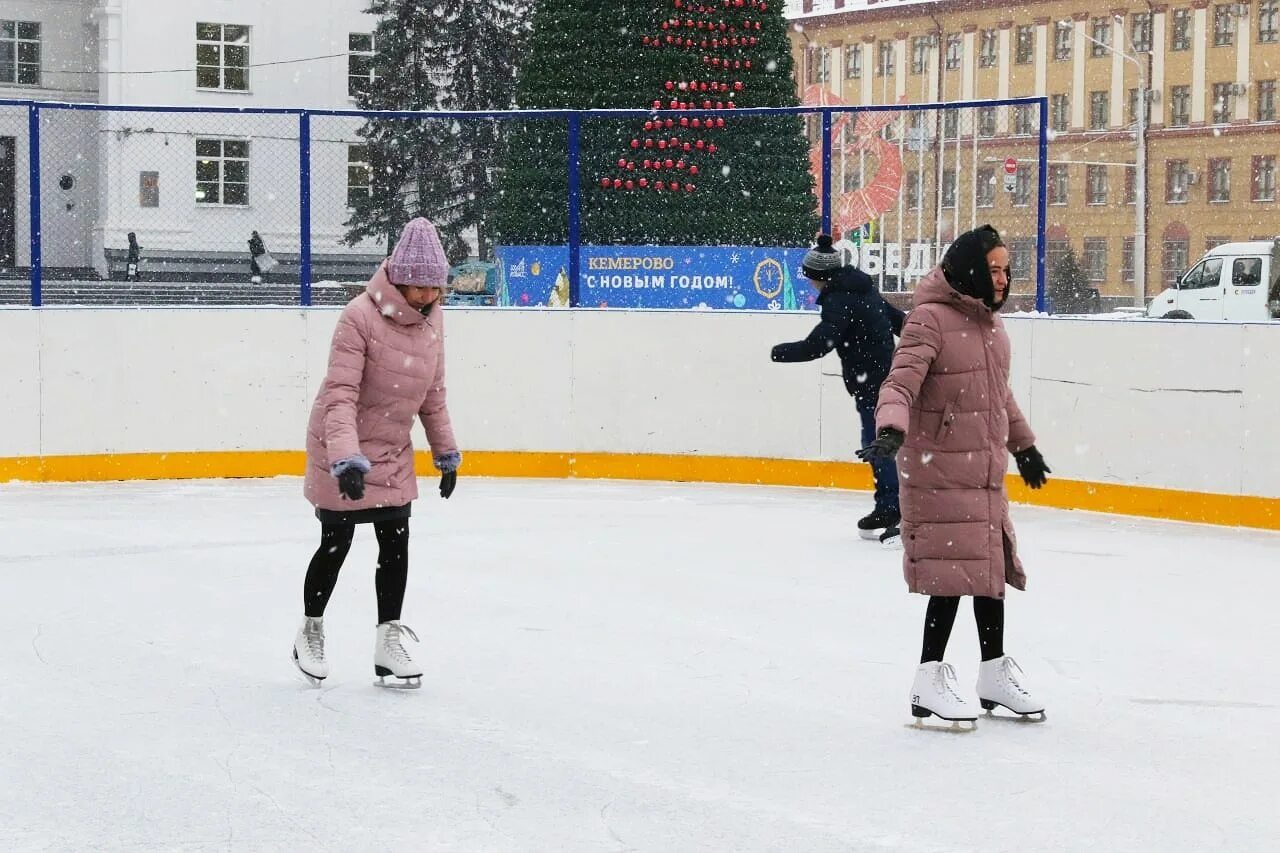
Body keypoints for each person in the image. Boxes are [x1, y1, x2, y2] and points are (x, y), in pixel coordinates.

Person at [858, 224, 1051, 728]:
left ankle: (992, 672)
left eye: (1007, 269)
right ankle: (929, 678)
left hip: (983, 473)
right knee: (950, 579)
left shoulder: (990, 326)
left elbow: (997, 396)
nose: (1004, 278)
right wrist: (892, 429)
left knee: (989, 575)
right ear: (970, 270)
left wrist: (1024, 446)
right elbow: (900, 383)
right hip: (940, 471)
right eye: (994, 269)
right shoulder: (930, 320)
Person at [292, 217, 461, 689]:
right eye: (419, 286)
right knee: (336, 541)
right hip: (339, 440)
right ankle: (310, 630)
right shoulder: (358, 316)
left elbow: (433, 392)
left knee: (395, 538)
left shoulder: (432, 321)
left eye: (435, 286)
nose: (428, 296)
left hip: (391, 446)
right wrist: (345, 458)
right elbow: (340, 395)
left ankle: (388, 640)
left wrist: (444, 453)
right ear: (398, 277)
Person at [771, 234, 905, 543]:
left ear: (817, 277)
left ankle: (893, 509)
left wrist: (780, 352)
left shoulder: (838, 298)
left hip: (873, 381)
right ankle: (890, 506)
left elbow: (821, 343)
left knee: (877, 441)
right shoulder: (864, 289)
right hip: (888, 377)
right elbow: (899, 321)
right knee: (879, 440)